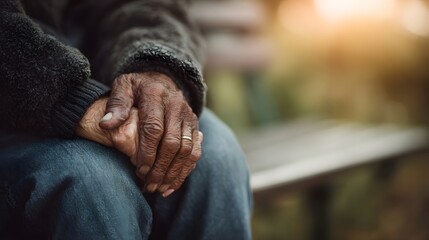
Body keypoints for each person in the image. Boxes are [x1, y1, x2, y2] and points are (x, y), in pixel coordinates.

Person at [0, 0, 252, 239]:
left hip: (105, 81)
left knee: (217, 153)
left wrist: (156, 69)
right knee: (92, 182)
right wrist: (72, 99)